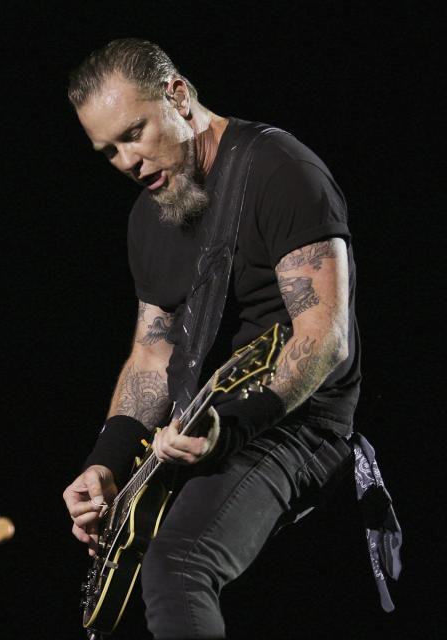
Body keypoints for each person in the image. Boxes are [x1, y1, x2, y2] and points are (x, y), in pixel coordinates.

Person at [61, 39, 362, 639]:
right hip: (197, 423)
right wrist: (107, 461)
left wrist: (235, 426)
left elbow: (325, 337)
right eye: (108, 150)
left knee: (177, 567)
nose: (126, 161)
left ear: (178, 94)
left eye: (134, 133)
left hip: (293, 421)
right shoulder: (148, 218)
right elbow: (152, 353)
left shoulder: (282, 170)